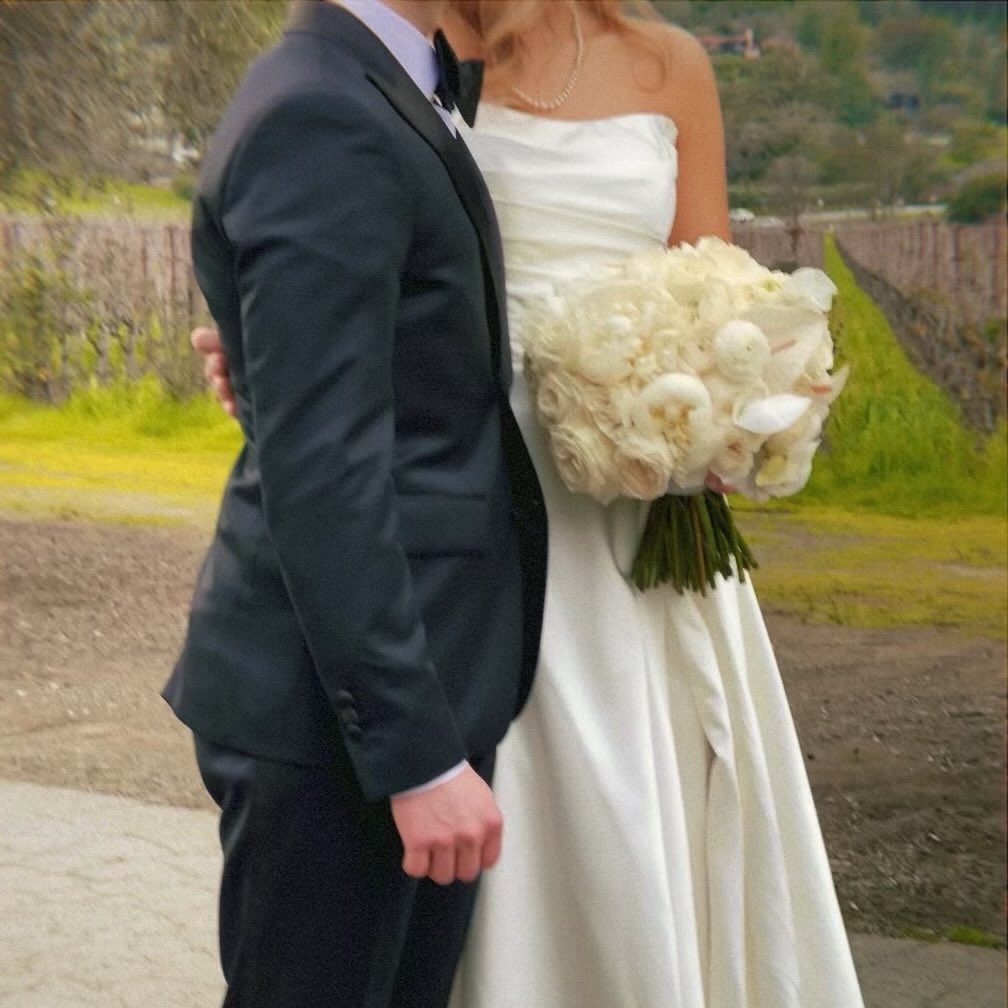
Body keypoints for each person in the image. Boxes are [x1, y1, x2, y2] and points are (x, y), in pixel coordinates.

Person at [197, 1, 867, 1005]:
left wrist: (727, 414)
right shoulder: (400, 55)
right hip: (455, 518)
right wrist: (248, 351)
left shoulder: (667, 65)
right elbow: (321, 278)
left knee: (633, 835)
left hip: (629, 515)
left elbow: (719, 294)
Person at [163, 2, 547, 1006]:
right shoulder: (322, 112)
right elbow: (322, 465)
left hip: (409, 678)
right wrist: (414, 759)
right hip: (335, 721)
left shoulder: (376, 80)